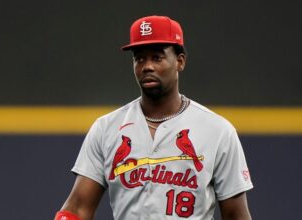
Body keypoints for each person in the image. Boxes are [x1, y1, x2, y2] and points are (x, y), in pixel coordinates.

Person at [55, 15, 253, 220]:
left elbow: (236, 215)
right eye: (139, 58)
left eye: (157, 57)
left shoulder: (217, 131)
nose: (147, 66)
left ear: (180, 61)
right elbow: (77, 208)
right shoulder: (107, 128)